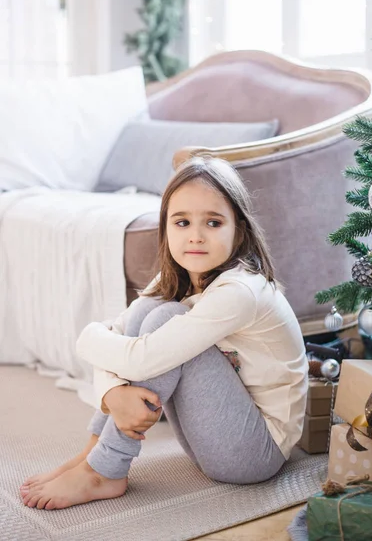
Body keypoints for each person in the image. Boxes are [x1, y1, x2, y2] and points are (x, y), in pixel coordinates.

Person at [20, 156, 308, 510]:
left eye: (214, 223)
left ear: (240, 231)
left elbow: (134, 357)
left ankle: (105, 470)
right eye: (182, 222)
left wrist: (89, 339)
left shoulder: (240, 292)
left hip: (255, 453)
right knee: (148, 310)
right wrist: (112, 392)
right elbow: (121, 336)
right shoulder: (183, 275)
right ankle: (94, 453)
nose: (196, 236)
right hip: (215, 435)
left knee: (163, 319)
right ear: (166, 228)